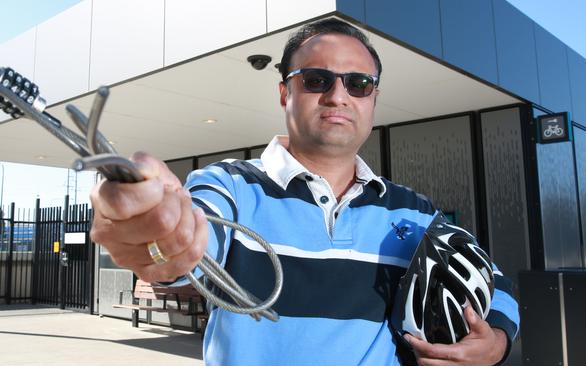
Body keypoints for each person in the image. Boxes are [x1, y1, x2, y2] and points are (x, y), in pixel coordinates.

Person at [90, 19, 519, 365]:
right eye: (316, 79)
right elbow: (187, 243)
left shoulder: (413, 210)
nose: (338, 96)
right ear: (285, 92)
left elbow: (493, 279)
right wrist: (160, 238)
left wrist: (496, 341)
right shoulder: (229, 187)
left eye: (358, 84)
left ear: (373, 98)